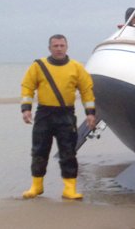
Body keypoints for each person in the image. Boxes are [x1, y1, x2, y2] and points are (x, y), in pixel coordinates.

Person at [21, 34, 96, 200]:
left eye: (62, 45)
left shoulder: (76, 67)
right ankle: (36, 186)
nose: (59, 48)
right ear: (50, 48)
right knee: (39, 151)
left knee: (68, 152)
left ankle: (69, 189)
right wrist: (26, 109)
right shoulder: (38, 66)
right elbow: (27, 87)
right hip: (44, 114)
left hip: (66, 115)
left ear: (67, 47)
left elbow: (87, 91)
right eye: (55, 46)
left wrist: (90, 113)